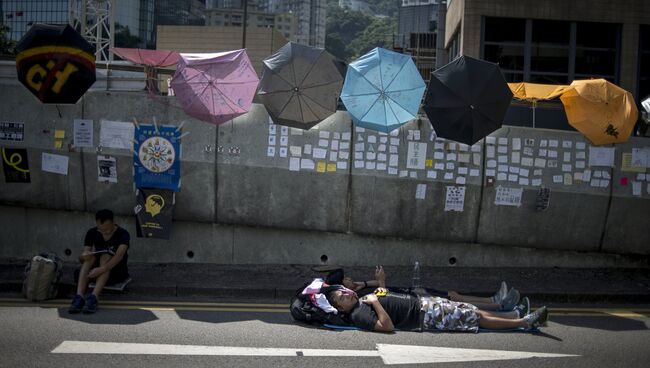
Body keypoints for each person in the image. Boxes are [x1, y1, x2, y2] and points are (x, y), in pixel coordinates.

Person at [325, 267, 547, 333]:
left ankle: (514, 315)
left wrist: (377, 286)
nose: (345, 293)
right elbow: (386, 326)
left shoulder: (361, 299)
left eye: (343, 291)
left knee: (470, 310)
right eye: (341, 296)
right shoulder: (358, 313)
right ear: (340, 307)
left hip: (423, 305)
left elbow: (383, 296)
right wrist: (374, 301)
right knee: (474, 317)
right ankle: (525, 322)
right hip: (424, 316)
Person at [340, 266, 526, 314]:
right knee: (455, 302)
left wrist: (363, 282)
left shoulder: (358, 290)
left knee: (454, 296)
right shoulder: (359, 299)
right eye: (347, 280)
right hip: (413, 299)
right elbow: (382, 295)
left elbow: (377, 287)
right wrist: (381, 281)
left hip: (413, 292)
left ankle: (494, 300)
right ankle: (499, 306)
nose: (350, 279)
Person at [68, 209, 130, 314]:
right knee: (90, 258)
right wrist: (84, 255)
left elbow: (119, 256)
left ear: (113, 222)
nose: (105, 232)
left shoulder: (123, 234)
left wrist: (101, 269)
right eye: (101, 230)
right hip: (96, 273)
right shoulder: (92, 233)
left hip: (116, 271)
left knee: (105, 256)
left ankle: (94, 297)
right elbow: (82, 259)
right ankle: (79, 296)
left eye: (108, 230)